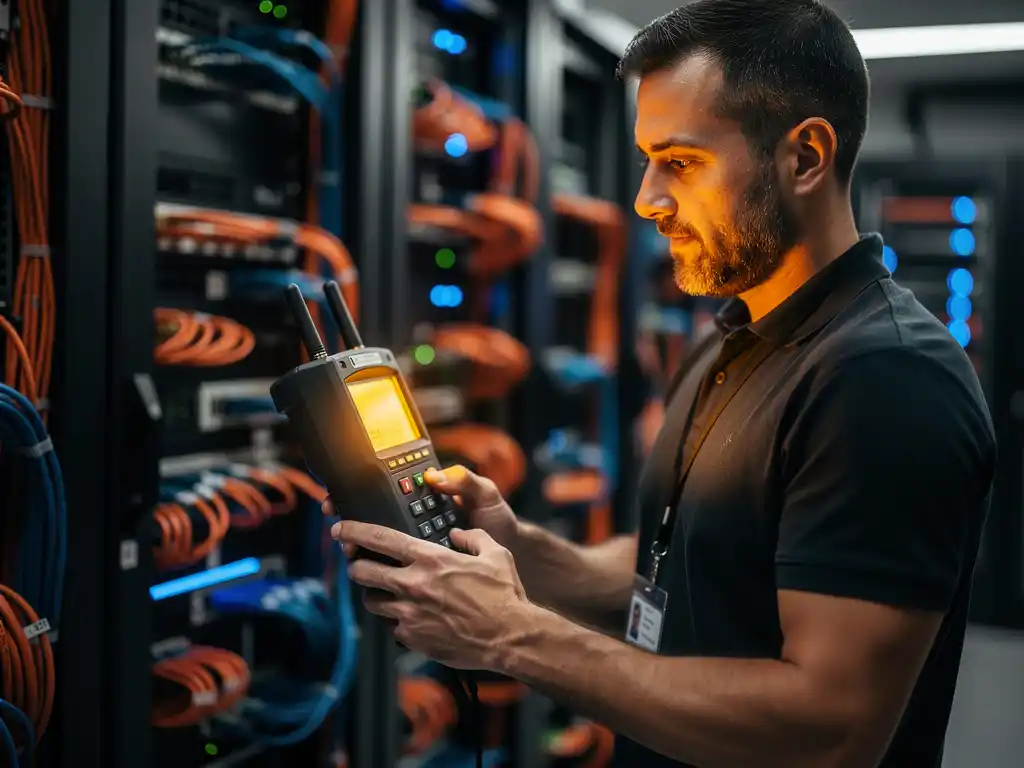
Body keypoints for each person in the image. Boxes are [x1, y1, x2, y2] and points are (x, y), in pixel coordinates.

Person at [329, 1, 996, 766]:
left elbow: (830, 729)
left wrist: (510, 633)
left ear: (806, 157)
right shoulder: (733, 343)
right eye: (646, 159)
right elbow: (681, 566)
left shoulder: (886, 379)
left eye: (679, 161)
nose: (646, 197)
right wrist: (524, 551)